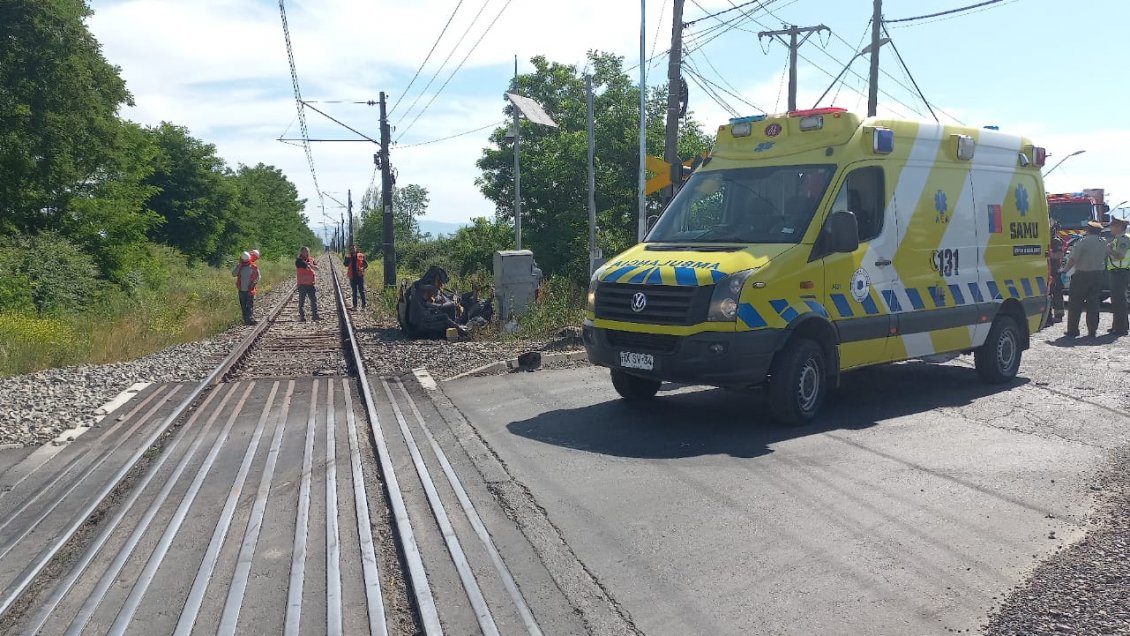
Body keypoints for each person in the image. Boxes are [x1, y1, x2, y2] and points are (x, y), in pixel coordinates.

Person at [1062, 221, 1107, 338]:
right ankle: (1092, 330)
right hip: (1097, 274)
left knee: (1075, 303)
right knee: (1093, 303)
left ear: (1088, 229)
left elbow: (1073, 259)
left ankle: (1073, 330)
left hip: (1082, 274)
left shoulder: (1083, 242)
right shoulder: (1103, 243)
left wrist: (1065, 270)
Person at [1106, 217, 1130, 335]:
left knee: (1119, 300)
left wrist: (1109, 250)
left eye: (1112, 225)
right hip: (1117, 272)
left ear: (1119, 227)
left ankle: (1121, 328)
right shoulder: (1117, 239)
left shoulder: (1124, 239)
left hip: (1120, 272)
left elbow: (1120, 256)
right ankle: (1117, 325)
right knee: (1116, 300)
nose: (1111, 228)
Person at [232, 251, 261, 325]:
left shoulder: (252, 266)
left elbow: (257, 277)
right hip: (243, 289)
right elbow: (234, 274)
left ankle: (249, 319)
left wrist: (253, 284)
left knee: (248, 305)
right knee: (245, 305)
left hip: (248, 290)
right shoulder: (242, 266)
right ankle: (247, 320)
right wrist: (239, 266)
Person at [295, 246, 320, 322]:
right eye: (305, 251)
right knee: (301, 302)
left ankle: (315, 316)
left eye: (308, 251)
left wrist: (311, 265)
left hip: (310, 284)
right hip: (302, 284)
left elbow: (317, 267)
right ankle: (302, 317)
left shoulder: (311, 259)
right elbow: (305, 265)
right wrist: (310, 265)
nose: (307, 253)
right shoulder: (298, 260)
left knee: (314, 300)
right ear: (302, 252)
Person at [1048, 221, 1065, 324]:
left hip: (1054, 270)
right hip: (1046, 270)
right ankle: (1048, 317)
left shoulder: (1055, 241)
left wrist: (1048, 254)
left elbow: (1059, 255)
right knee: (1048, 294)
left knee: (1057, 293)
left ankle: (1058, 316)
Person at [343, 244, 368, 309]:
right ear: (350, 250)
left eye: (354, 248)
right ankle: (355, 306)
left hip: (360, 276)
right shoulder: (348, 256)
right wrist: (346, 258)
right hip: (352, 276)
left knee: (361, 291)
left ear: (356, 249)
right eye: (351, 249)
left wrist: (362, 268)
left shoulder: (361, 256)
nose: (353, 250)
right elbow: (345, 264)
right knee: (354, 292)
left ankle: (364, 304)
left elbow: (366, 264)